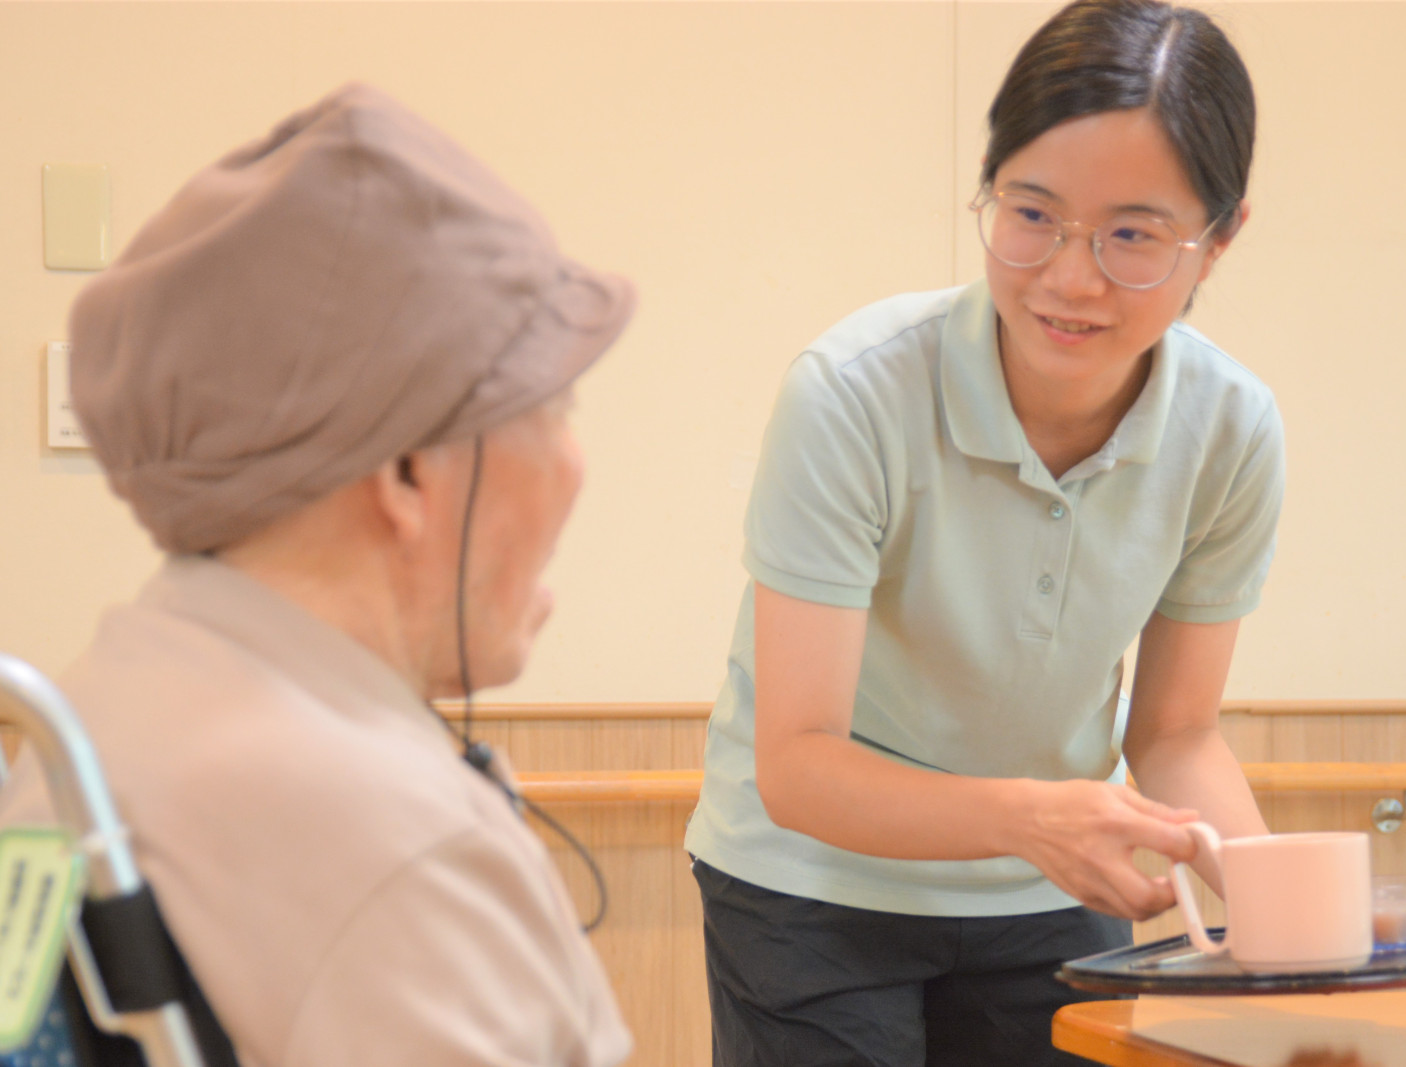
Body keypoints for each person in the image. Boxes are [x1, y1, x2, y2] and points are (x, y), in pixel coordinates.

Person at [683, 1, 1282, 1063]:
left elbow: (1175, 733)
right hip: (809, 880)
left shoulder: (1230, 427)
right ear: (989, 189)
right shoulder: (854, 392)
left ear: (1221, 239)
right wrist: (1033, 819)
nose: (1070, 277)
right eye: (1032, 213)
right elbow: (800, 763)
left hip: (1050, 889)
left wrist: (1285, 910)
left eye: (1133, 235)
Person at [0, 84, 635, 1066]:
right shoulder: (401, 852)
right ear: (408, 473)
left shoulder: (90, 716)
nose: (575, 465)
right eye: (555, 408)